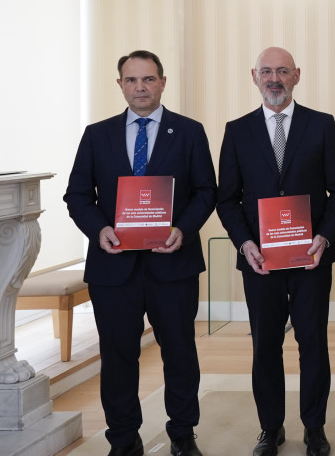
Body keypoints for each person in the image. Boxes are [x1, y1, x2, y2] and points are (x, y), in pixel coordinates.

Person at [64, 50, 214, 456]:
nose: (140, 87)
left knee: (180, 354)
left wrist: (183, 229)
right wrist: (101, 230)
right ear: (120, 85)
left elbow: (206, 191)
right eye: (132, 80)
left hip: (174, 264)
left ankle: (183, 435)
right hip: (114, 268)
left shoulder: (189, 131)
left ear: (163, 82)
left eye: (148, 79)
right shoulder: (97, 134)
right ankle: (124, 440)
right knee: (117, 358)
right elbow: (77, 195)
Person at [216, 47, 335, 456]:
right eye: (267, 71)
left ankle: (314, 427)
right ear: (253, 76)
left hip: (311, 258)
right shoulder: (237, 131)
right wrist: (246, 242)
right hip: (260, 263)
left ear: (297, 76)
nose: (274, 78)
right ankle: (270, 428)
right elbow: (227, 199)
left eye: (283, 71)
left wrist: (325, 236)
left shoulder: (322, 125)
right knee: (265, 346)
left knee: (313, 343)